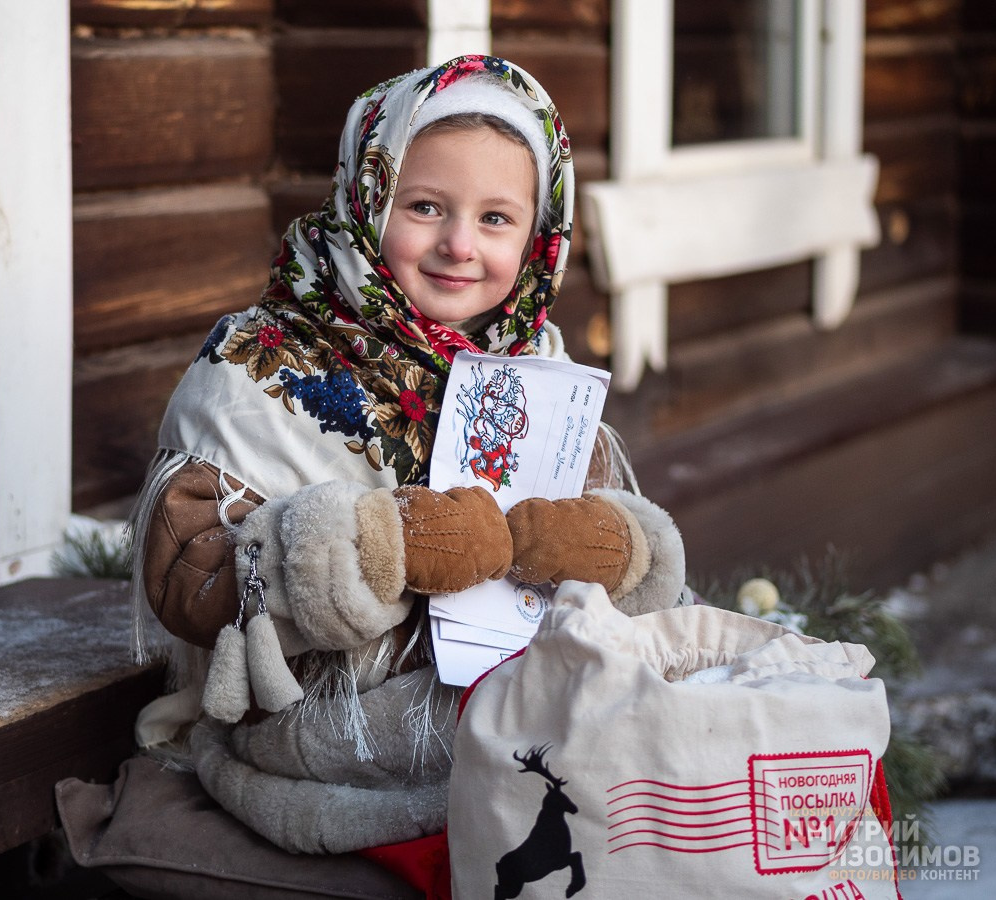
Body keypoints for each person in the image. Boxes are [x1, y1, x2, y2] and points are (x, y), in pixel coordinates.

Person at [125, 55, 687, 856]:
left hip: (500, 697)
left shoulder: (536, 368)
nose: (460, 244)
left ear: (541, 236)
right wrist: (383, 546)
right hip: (325, 718)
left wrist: (605, 546)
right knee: (583, 766)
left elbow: (582, 537)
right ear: (366, 200)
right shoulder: (260, 364)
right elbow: (194, 577)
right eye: (424, 207)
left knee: (618, 731)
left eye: (497, 219)